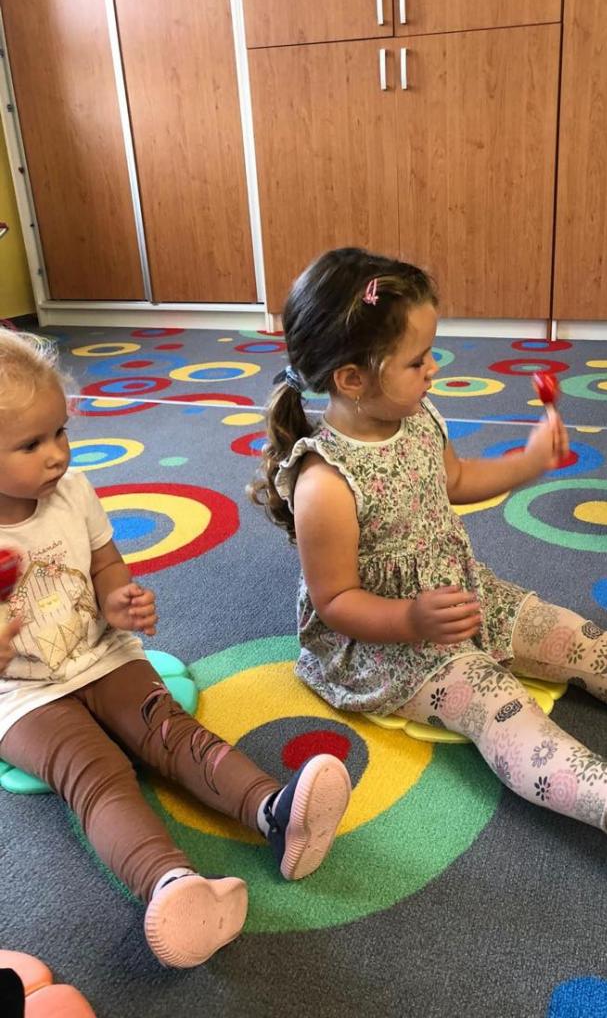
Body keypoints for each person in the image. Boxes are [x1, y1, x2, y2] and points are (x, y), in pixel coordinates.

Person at [253, 246, 607, 897]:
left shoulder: (416, 417)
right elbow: (334, 603)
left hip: (462, 592)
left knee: (581, 639)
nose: (433, 369)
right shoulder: (324, 483)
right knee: (503, 710)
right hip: (388, 645)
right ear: (352, 379)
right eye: (417, 361)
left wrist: (528, 463)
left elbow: (455, 479)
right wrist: (410, 619)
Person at [0, 330, 351, 968]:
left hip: (101, 653)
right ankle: (171, 886)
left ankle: (273, 811)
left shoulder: (73, 490)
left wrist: (118, 599)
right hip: (22, 697)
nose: (56, 455)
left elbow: (105, 564)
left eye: (60, 432)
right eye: (31, 444)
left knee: (169, 731)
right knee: (96, 775)